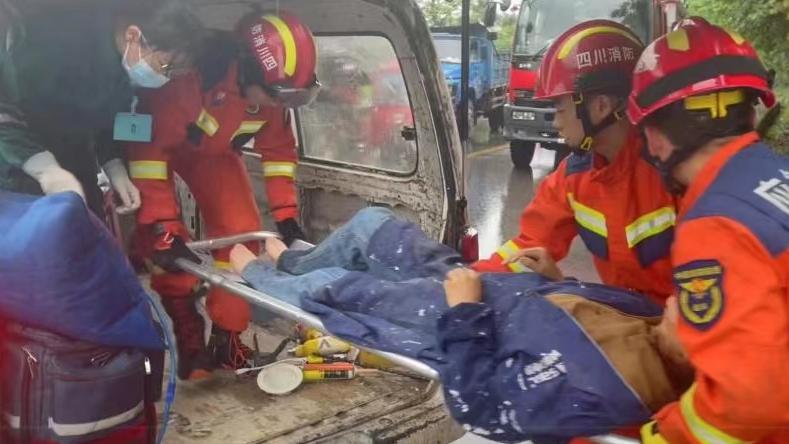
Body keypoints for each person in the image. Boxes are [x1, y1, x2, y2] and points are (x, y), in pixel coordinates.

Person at [228, 207, 694, 442]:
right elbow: (581, 323)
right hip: (485, 290)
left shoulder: (607, 389)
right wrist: (559, 281)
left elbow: (480, 406)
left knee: (335, 288)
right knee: (374, 224)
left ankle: (256, 275)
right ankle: (291, 261)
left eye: (691, 310)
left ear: (698, 350)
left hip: (458, 318)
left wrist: (464, 312)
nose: (677, 298)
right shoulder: (652, 318)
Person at [126, 11, 319, 380]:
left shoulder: (273, 95)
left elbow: (279, 154)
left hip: (213, 156)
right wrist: (161, 225)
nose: (283, 105)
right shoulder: (187, 82)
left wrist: (286, 216)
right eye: (279, 95)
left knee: (243, 236)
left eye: (295, 97)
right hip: (156, 148)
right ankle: (189, 336)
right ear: (245, 70)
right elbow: (148, 156)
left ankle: (227, 339)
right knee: (169, 246)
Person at [626, 17, 789, 443]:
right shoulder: (776, 177)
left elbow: (747, 404)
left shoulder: (715, 225)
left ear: (656, 137)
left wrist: (661, 436)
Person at [473, 20, 677, 304]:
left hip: (681, 334)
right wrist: (472, 280)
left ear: (601, 107)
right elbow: (528, 247)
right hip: (627, 325)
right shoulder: (574, 176)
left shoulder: (674, 173)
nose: (556, 122)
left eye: (559, 108)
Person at [0, 0, 204, 217]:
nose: (166, 77)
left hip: (74, 162)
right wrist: (44, 168)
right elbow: (5, 108)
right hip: (16, 164)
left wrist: (114, 166)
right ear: (133, 36)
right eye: (166, 66)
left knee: (86, 228)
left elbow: (105, 119)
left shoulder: (121, 70)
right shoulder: (53, 42)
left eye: (175, 73)